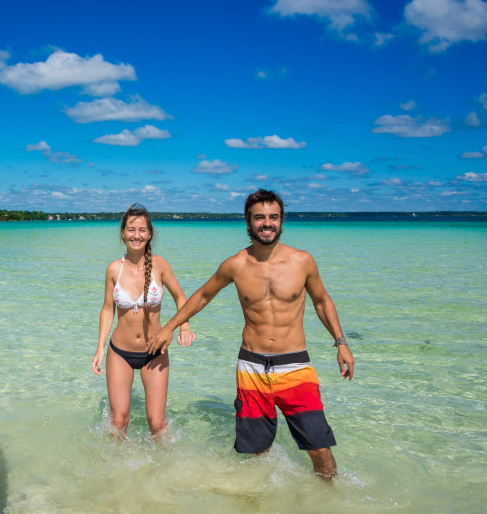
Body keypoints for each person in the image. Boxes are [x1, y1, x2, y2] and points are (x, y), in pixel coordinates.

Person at [147, 189, 354, 478]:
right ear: (248, 222)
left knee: (319, 447)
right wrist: (169, 327)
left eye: (273, 217)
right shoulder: (236, 264)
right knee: (257, 453)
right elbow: (203, 296)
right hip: (251, 368)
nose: (267, 223)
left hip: (295, 366)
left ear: (281, 222)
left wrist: (340, 342)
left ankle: (329, 503)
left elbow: (321, 301)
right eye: (259, 218)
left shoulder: (302, 261)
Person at [92, 203, 195, 439]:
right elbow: (108, 309)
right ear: (122, 233)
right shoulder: (113, 270)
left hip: (155, 351)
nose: (136, 235)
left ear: (149, 234)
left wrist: (185, 326)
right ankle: (115, 471)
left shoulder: (160, 265)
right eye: (131, 229)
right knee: (118, 421)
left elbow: (181, 297)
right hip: (120, 352)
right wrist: (99, 348)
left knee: (156, 423)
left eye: (141, 230)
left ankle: (163, 470)